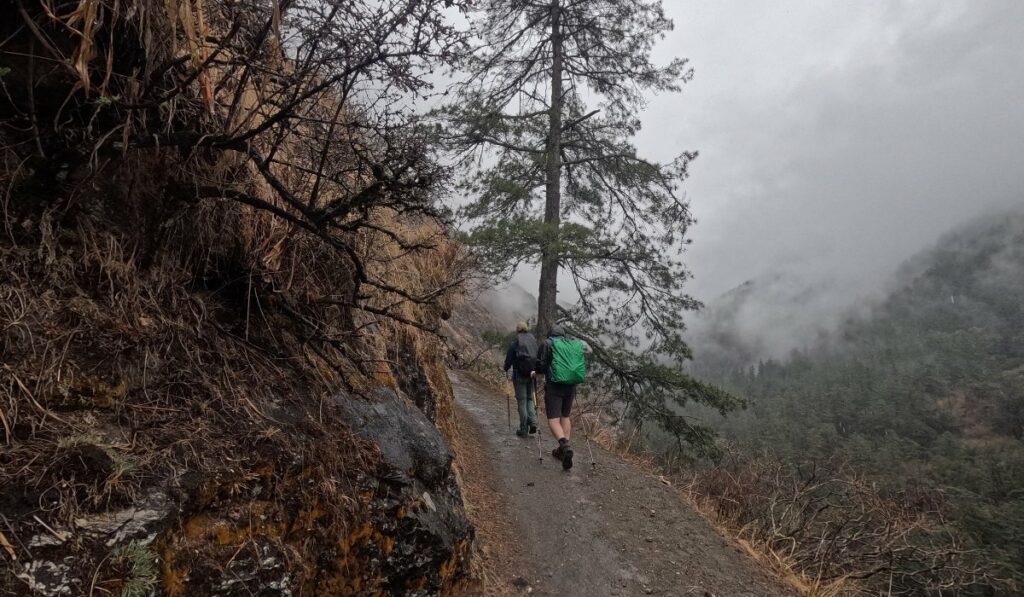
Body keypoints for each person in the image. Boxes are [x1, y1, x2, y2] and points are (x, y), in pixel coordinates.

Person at [537, 324, 585, 470]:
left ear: (550, 334)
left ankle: (563, 445)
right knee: (565, 416)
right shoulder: (571, 344)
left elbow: (541, 365)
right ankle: (564, 448)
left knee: (553, 418)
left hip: (554, 385)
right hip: (571, 386)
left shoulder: (547, 343)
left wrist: (537, 371)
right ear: (563, 335)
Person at [503, 321, 539, 437]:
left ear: (517, 329)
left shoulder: (515, 342)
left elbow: (509, 359)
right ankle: (533, 421)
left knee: (522, 401)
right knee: (529, 400)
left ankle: (523, 429)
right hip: (532, 374)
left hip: (519, 375)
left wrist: (506, 368)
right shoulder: (533, 340)